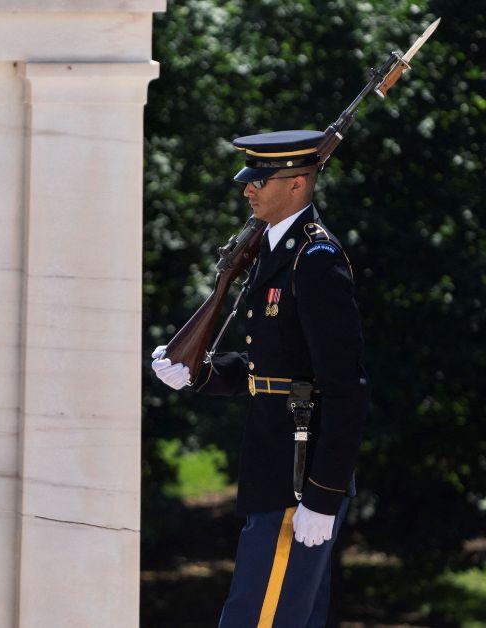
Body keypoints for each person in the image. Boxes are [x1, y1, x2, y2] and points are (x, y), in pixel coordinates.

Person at [150, 130, 369, 627]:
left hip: (298, 480)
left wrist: (323, 495)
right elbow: (270, 370)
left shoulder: (314, 260)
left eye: (260, 180)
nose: (247, 189)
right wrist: (199, 373)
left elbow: (345, 387)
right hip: (273, 469)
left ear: (296, 185)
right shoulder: (273, 251)